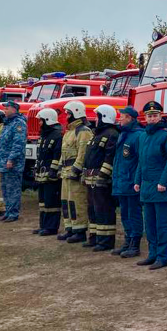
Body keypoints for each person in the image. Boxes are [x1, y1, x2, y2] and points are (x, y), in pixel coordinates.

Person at [134, 100, 167, 270]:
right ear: (145, 117)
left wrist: (163, 181)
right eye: (149, 115)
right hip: (146, 186)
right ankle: (152, 254)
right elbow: (142, 160)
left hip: (161, 187)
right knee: (150, 224)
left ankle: (162, 257)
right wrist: (137, 181)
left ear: (160, 116)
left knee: (162, 224)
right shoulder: (143, 136)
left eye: (155, 115)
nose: (152, 118)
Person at [83, 104, 120, 252]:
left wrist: (103, 176)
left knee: (104, 210)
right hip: (91, 180)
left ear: (104, 117)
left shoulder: (112, 134)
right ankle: (94, 237)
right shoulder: (96, 134)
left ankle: (105, 241)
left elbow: (110, 157)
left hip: (101, 181)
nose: (95, 120)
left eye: (97, 116)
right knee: (92, 210)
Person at [58, 100, 93, 243]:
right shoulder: (69, 132)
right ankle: (70, 228)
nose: (66, 115)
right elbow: (63, 152)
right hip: (66, 172)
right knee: (66, 202)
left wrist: (76, 169)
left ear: (76, 113)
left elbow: (82, 153)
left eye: (68, 113)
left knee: (77, 202)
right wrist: (60, 167)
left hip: (74, 173)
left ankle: (80, 231)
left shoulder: (83, 131)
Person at [113, 106, 144, 258]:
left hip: (131, 182)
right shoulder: (124, 134)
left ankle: (135, 244)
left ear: (130, 118)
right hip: (122, 181)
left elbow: (140, 160)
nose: (120, 119)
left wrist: (137, 180)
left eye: (122, 116)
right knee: (125, 213)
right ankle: (127, 241)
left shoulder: (138, 135)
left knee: (134, 213)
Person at [0, 100, 26, 223]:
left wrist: (11, 159)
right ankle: (8, 211)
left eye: (7, 108)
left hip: (12, 163)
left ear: (14, 109)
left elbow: (18, 143)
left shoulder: (19, 123)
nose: (5, 110)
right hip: (3, 162)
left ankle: (13, 213)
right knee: (5, 188)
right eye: (4, 108)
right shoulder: (7, 123)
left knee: (13, 189)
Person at [33, 108, 64, 234]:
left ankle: (51, 227)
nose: (39, 123)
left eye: (40, 121)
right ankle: (43, 225)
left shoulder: (57, 136)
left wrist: (53, 170)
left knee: (52, 202)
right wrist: (36, 168)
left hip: (51, 176)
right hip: (41, 174)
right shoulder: (44, 135)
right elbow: (40, 155)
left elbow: (57, 155)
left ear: (47, 120)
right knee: (43, 202)